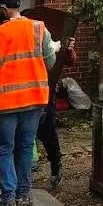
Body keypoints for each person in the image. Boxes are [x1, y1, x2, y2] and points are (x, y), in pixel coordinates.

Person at [0, 0, 55, 206]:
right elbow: (50, 61)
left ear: (3, 9)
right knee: (25, 145)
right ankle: (24, 195)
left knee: (4, 149)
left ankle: (8, 201)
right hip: (34, 99)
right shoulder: (39, 28)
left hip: (7, 102)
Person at [32, 32, 75, 192]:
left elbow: (68, 61)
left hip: (45, 91)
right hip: (29, 89)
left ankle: (55, 166)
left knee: (47, 132)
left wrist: (68, 50)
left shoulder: (46, 35)